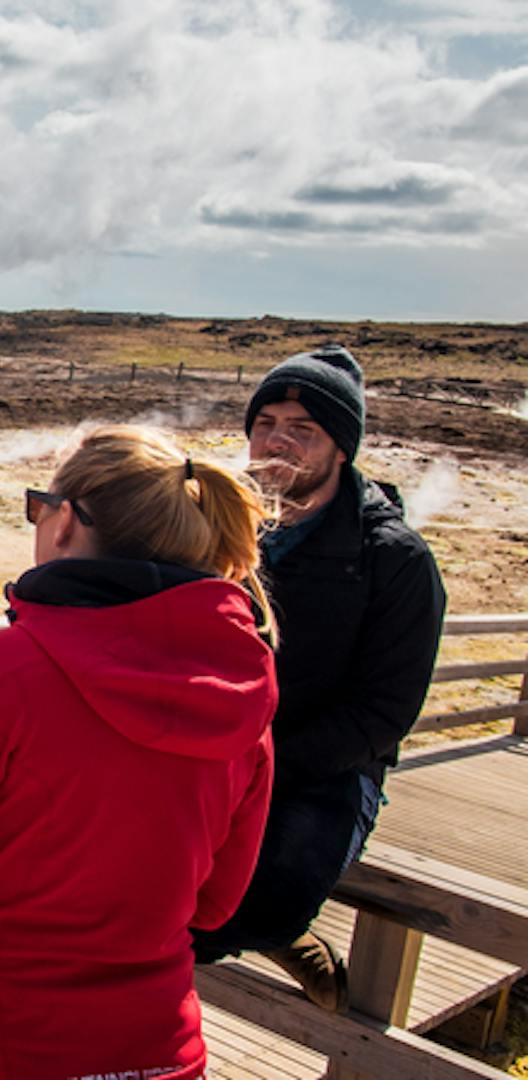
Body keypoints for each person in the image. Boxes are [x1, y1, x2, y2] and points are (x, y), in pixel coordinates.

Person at [0, 425, 277, 1080]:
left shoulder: (2, 671)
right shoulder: (241, 691)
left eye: (38, 504)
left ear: (66, 525)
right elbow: (217, 905)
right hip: (158, 1053)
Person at [192, 345, 448, 1011]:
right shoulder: (219, 530)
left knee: (273, 888)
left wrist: (269, 760)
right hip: (217, 741)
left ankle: (277, 938)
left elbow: (384, 713)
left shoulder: (393, 561)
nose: (276, 442)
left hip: (325, 766)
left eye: (302, 430)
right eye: (266, 422)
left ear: (342, 449)